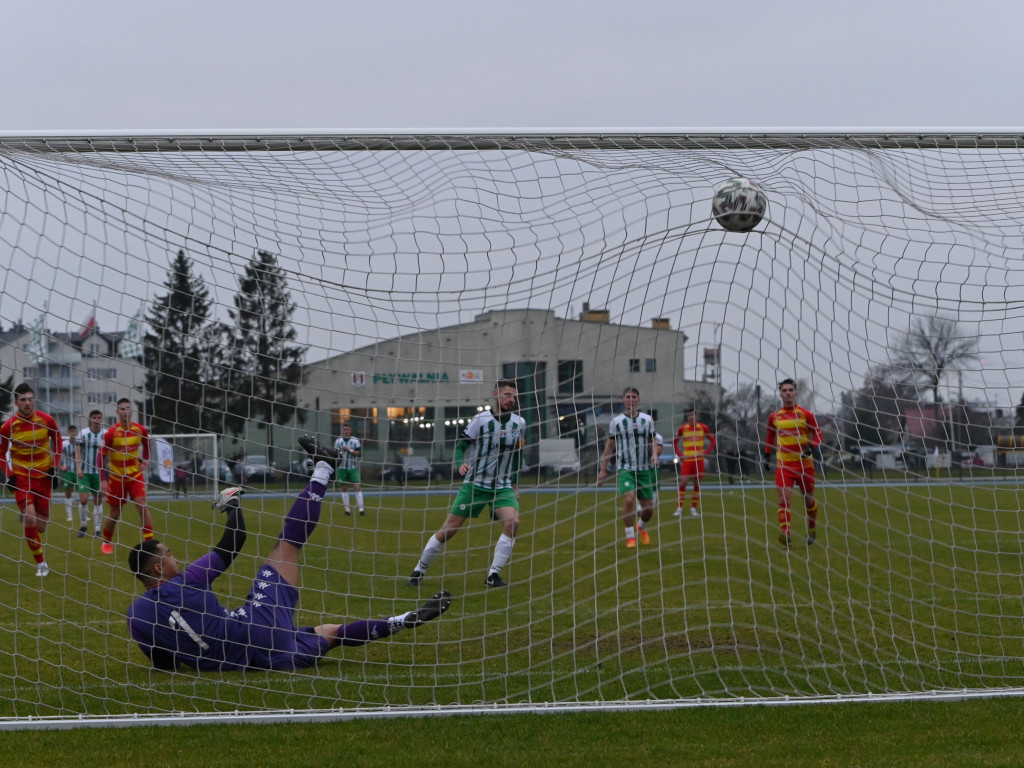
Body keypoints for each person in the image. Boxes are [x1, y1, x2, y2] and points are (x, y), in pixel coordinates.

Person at [126, 436, 452, 671]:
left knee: (330, 633)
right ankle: (324, 467)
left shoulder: (135, 616)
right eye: (168, 555)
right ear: (157, 569)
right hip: (255, 627)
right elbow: (235, 540)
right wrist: (233, 504)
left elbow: (164, 663)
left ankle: (402, 620)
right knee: (287, 545)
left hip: (268, 661)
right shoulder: (184, 582)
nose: (175, 559)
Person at [407, 380, 525, 588]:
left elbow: (517, 455)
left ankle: (493, 575)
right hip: (475, 484)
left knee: (513, 523)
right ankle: (419, 569)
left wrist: (515, 487)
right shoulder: (481, 420)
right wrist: (461, 462)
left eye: (513, 396)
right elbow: (461, 446)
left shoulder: (519, 423)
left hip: (502, 486)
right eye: (507, 395)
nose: (511, 400)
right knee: (449, 530)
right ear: (496, 394)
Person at [0, 383, 62, 576]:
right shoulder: (8, 426)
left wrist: (54, 466)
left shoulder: (46, 420)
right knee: (30, 518)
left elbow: (58, 440)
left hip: (43, 478)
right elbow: (2, 453)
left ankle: (31, 517)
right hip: (22, 479)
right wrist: (9, 475)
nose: (27, 403)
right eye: (23, 400)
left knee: (41, 527)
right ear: (16, 402)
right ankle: (41, 564)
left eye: (30, 399)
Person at [764, 378, 823, 548]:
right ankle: (786, 534)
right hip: (784, 466)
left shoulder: (806, 414)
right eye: (785, 390)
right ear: (781, 394)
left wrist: (812, 447)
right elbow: (770, 436)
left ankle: (812, 529)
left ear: (795, 393)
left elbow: (818, 433)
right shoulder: (775, 417)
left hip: (805, 466)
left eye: (791, 390)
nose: (788, 393)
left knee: (809, 501)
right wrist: (767, 455)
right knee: (784, 499)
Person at [597, 387, 658, 548]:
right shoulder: (616, 422)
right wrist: (603, 469)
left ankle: (641, 527)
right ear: (623, 400)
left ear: (638, 400)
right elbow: (609, 446)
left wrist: (654, 455)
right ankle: (630, 536)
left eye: (634, 397)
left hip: (645, 469)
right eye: (628, 397)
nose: (631, 399)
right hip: (625, 468)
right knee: (629, 499)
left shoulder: (647, 420)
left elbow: (652, 441)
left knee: (649, 509)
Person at [98, 398, 153, 554]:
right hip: (117, 478)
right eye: (122, 409)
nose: (126, 411)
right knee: (114, 513)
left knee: (142, 505)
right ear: (117, 412)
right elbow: (100, 456)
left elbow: (147, 445)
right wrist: (103, 479)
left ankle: (150, 543)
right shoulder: (110, 433)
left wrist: (145, 462)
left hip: (135, 476)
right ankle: (107, 541)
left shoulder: (140, 430)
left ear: (132, 411)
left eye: (128, 408)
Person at [673, 410, 716, 518]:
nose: (691, 417)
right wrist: (679, 454)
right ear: (687, 417)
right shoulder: (683, 428)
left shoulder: (703, 427)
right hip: (687, 460)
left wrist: (706, 452)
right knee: (683, 482)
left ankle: (693, 509)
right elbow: (675, 441)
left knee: (697, 483)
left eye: (693, 415)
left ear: (696, 416)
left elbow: (713, 440)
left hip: (699, 460)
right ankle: (679, 508)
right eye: (689, 415)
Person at [76, 409, 106, 537]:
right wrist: (78, 468)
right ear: (90, 419)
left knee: (98, 501)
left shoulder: (106, 434)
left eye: (99, 417)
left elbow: (109, 453)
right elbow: (78, 451)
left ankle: (98, 530)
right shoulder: (83, 433)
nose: (97, 420)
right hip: (85, 473)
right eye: (94, 417)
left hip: (99, 474)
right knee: (83, 500)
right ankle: (83, 526)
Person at [333, 422, 364, 516]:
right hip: (342, 468)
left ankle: (361, 510)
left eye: (347, 429)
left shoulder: (355, 440)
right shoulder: (338, 441)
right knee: (344, 488)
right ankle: (347, 510)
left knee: (357, 487)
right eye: (344, 430)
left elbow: (360, 454)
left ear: (351, 431)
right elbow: (335, 453)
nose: (346, 431)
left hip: (353, 468)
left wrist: (349, 450)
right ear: (342, 431)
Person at [59, 424, 79, 523]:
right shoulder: (64, 444)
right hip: (68, 471)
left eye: (74, 431)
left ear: (76, 432)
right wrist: (60, 467)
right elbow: (57, 455)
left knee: (83, 492)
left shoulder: (80, 443)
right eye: (71, 431)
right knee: (68, 493)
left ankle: (84, 515)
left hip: (78, 471)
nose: (73, 433)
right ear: (68, 433)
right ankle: (69, 515)